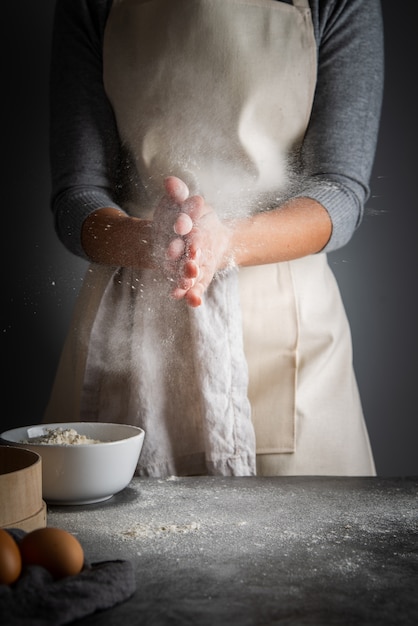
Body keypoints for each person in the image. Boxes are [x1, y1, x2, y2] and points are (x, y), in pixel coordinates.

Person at [44, 0, 384, 477]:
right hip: (133, 322)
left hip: (286, 335)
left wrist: (228, 242)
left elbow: (340, 191)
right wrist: (151, 241)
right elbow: (77, 194)